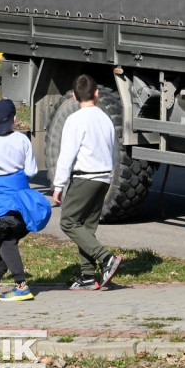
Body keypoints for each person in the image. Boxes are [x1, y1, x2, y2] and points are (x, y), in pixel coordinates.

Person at [0, 99, 51, 302]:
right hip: (23, 202)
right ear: (14, 119)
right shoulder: (23, 140)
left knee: (6, 240)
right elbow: (32, 171)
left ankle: (21, 286)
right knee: (8, 239)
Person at [52, 74, 123, 290]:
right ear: (97, 93)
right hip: (103, 178)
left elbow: (67, 155)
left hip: (84, 177)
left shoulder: (75, 119)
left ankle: (106, 259)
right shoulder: (105, 118)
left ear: (74, 96)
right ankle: (88, 277)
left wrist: (58, 185)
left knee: (68, 222)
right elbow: (113, 150)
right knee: (86, 228)